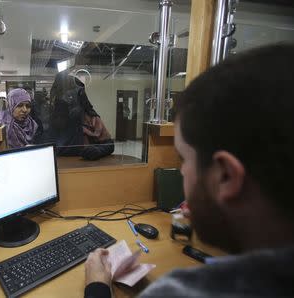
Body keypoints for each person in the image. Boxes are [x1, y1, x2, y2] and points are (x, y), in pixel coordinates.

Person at [84, 43, 294, 297]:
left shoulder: (179, 291)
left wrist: (97, 285)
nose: (182, 172)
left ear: (225, 176)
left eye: (184, 159)